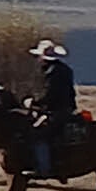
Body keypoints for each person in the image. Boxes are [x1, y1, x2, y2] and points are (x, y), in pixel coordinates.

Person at [28, 39, 76, 177]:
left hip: (56, 112)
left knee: (38, 135)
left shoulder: (53, 73)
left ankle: (44, 168)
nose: (37, 59)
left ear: (43, 57)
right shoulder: (64, 70)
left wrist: (34, 103)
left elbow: (51, 95)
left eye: (39, 56)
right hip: (66, 109)